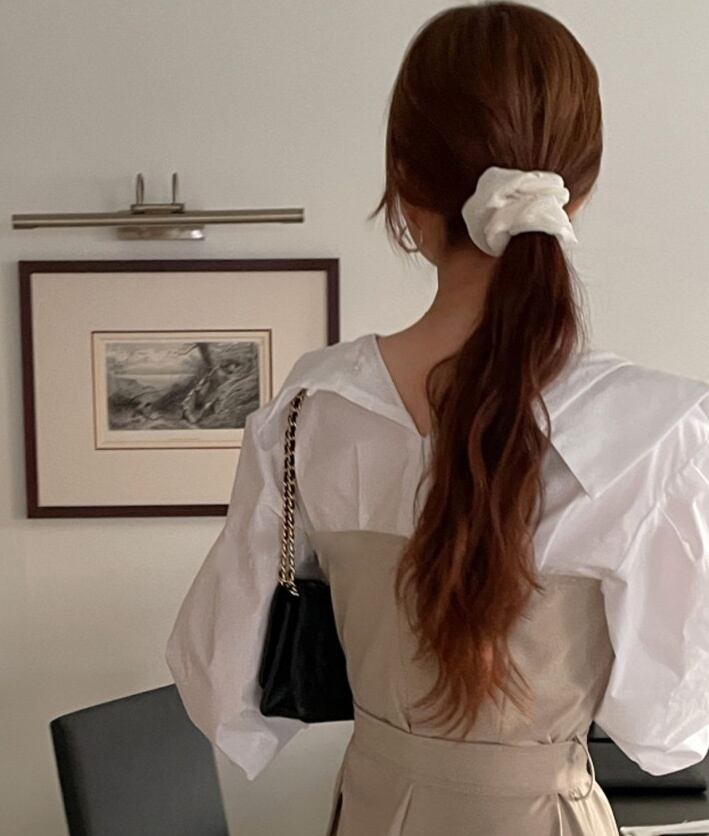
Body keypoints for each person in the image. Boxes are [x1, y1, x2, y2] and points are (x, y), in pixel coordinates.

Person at [165, 2, 709, 834]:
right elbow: (671, 729)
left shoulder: (313, 408)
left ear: (403, 184)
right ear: (577, 191)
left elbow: (219, 684)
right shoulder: (657, 430)